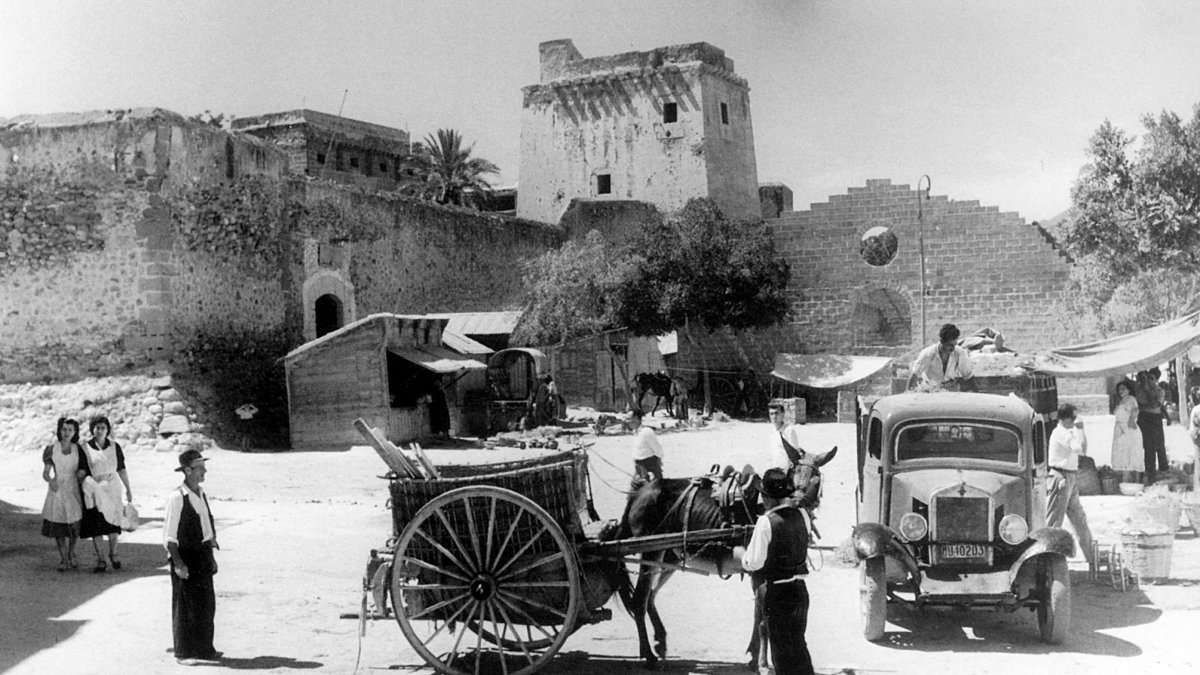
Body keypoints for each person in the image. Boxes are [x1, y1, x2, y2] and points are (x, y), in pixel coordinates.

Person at [734, 468, 815, 675]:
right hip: (800, 592)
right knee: (798, 647)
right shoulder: (803, 515)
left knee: (781, 655)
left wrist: (742, 555)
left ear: (766, 497)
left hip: (776, 595)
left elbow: (754, 562)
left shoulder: (765, 522)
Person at [163, 449, 222, 664]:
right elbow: (170, 537)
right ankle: (184, 651)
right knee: (185, 605)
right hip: (185, 557)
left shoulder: (201, 493)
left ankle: (204, 648)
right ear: (188, 471)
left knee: (206, 604)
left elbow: (207, 525)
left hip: (203, 554)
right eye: (200, 468)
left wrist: (212, 556)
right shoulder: (177, 498)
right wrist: (179, 563)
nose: (204, 471)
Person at [79, 415, 133, 573]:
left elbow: (121, 469)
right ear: (92, 429)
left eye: (103, 427)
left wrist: (129, 488)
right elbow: (82, 470)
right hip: (95, 487)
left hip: (113, 486)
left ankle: (113, 553)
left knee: (113, 523)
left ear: (108, 429)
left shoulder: (115, 447)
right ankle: (100, 559)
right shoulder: (85, 448)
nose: (100, 430)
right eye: (97, 427)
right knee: (96, 523)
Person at [1046, 403, 1095, 567]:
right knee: (1054, 522)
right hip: (1061, 476)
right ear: (1064, 418)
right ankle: (1048, 559)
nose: (1074, 421)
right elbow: (1082, 449)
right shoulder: (1060, 433)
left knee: (1079, 519)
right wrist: (1081, 429)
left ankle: (1091, 556)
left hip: (1070, 477)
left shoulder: (1068, 431)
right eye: (1072, 417)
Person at [41, 417, 86, 571]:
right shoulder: (51, 449)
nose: (67, 433)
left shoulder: (78, 449)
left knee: (74, 524)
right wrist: (50, 480)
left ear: (75, 432)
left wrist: (82, 473)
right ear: (59, 431)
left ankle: (72, 552)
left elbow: (84, 468)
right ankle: (64, 559)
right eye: (64, 429)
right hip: (58, 488)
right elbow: (46, 472)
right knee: (59, 524)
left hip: (73, 488)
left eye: (70, 430)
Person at [907, 323, 975, 390]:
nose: (953, 348)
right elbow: (914, 375)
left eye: (955, 345)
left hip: (951, 390)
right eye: (949, 345)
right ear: (942, 342)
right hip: (931, 390)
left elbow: (969, 376)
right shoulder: (928, 353)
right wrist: (908, 394)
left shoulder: (959, 353)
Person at [1135, 369, 1168, 484]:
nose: (1148, 381)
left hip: (1155, 420)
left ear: (1157, 380)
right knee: (1147, 448)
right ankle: (1150, 474)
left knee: (1158, 446)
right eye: (1147, 378)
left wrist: (1148, 391)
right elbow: (1138, 407)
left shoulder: (1159, 391)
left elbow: (1154, 405)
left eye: (1151, 379)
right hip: (1143, 419)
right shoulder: (1139, 390)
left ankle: (1162, 471)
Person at [1109, 379, 1143, 484]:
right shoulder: (1123, 400)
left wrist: (1131, 420)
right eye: (1119, 389)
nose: (1121, 391)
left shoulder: (1130, 399)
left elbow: (1135, 410)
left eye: (1123, 389)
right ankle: (1127, 481)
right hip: (1121, 429)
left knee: (1130, 454)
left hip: (1128, 430)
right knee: (1124, 454)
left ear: (1129, 390)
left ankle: (1133, 482)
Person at [629, 409, 664, 490]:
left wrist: (656, 465)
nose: (627, 421)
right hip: (639, 467)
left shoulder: (647, 432)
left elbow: (658, 450)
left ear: (637, 419)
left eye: (629, 418)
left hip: (650, 466)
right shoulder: (636, 432)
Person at [767, 402, 805, 471]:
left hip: (786, 471)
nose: (774, 416)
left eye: (776, 413)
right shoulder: (773, 431)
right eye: (771, 414)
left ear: (783, 414)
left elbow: (795, 454)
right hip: (775, 469)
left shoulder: (789, 430)